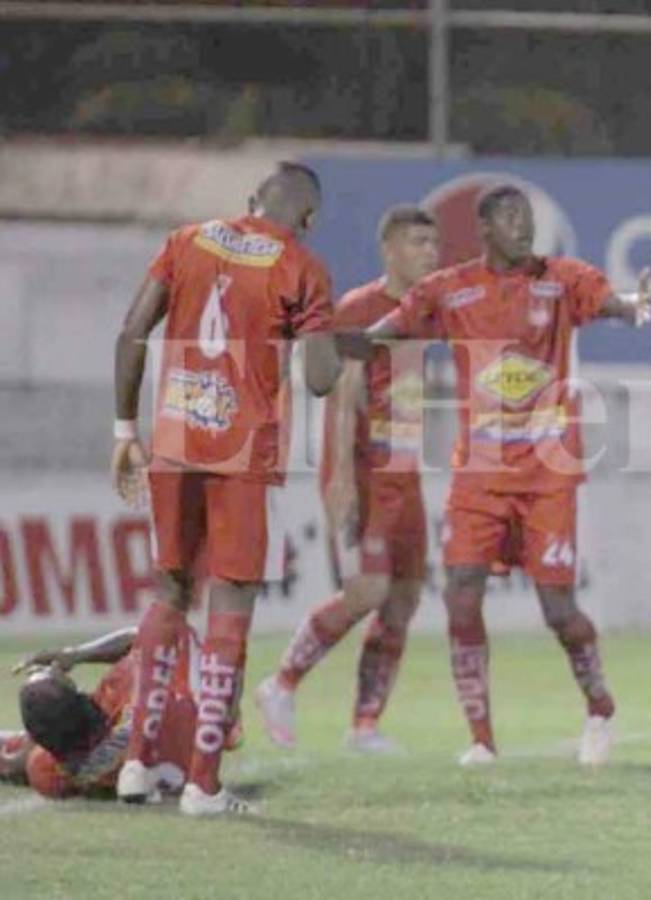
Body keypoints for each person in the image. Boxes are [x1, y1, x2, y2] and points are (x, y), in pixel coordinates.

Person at [363, 184, 651, 766]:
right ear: (487, 229)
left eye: (528, 217)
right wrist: (336, 346)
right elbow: (392, 328)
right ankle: (481, 739)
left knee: (558, 610)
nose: (524, 226)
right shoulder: (452, 289)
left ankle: (599, 709)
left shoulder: (559, 278)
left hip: (549, 473)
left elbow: (608, 301)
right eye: (511, 218)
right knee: (461, 594)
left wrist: (630, 304)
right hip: (481, 476)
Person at [111, 162, 341, 815]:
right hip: (241, 451)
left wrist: (124, 427)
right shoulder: (302, 266)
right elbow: (322, 380)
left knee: (170, 589)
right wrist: (329, 331)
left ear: (249, 202)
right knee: (229, 604)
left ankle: (138, 761)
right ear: (308, 217)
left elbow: (132, 331)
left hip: (175, 436)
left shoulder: (186, 240)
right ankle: (203, 785)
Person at [255, 206, 439, 752]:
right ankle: (281, 684)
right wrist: (339, 480)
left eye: (434, 243)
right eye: (417, 243)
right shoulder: (361, 308)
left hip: (405, 475)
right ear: (389, 251)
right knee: (366, 589)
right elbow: (342, 395)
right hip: (362, 471)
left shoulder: (424, 312)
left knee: (404, 598)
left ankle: (364, 725)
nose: (430, 252)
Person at [1, 627, 219, 801]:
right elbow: (158, 635)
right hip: (195, 727)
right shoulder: (128, 686)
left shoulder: (46, 773)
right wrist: (77, 655)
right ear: (83, 701)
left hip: (162, 750)